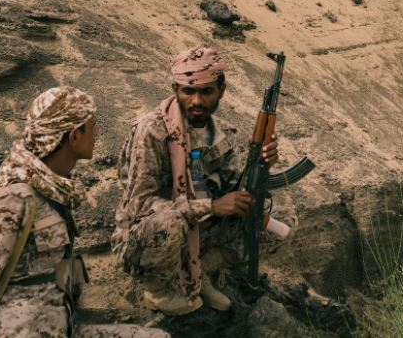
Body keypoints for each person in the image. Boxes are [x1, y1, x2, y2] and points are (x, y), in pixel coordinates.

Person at [0, 86, 167, 338]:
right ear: (74, 136)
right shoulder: (15, 200)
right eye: (93, 126)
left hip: (59, 327)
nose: (96, 134)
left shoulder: (53, 189)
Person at [111, 47, 279, 316]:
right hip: (151, 235)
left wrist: (260, 165)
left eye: (206, 92)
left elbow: (234, 186)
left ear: (221, 90)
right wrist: (211, 207)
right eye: (188, 92)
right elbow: (140, 204)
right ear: (175, 89)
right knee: (169, 221)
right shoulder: (153, 131)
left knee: (272, 210)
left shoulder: (221, 132)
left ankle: (200, 273)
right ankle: (157, 289)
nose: (197, 100)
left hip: (200, 232)